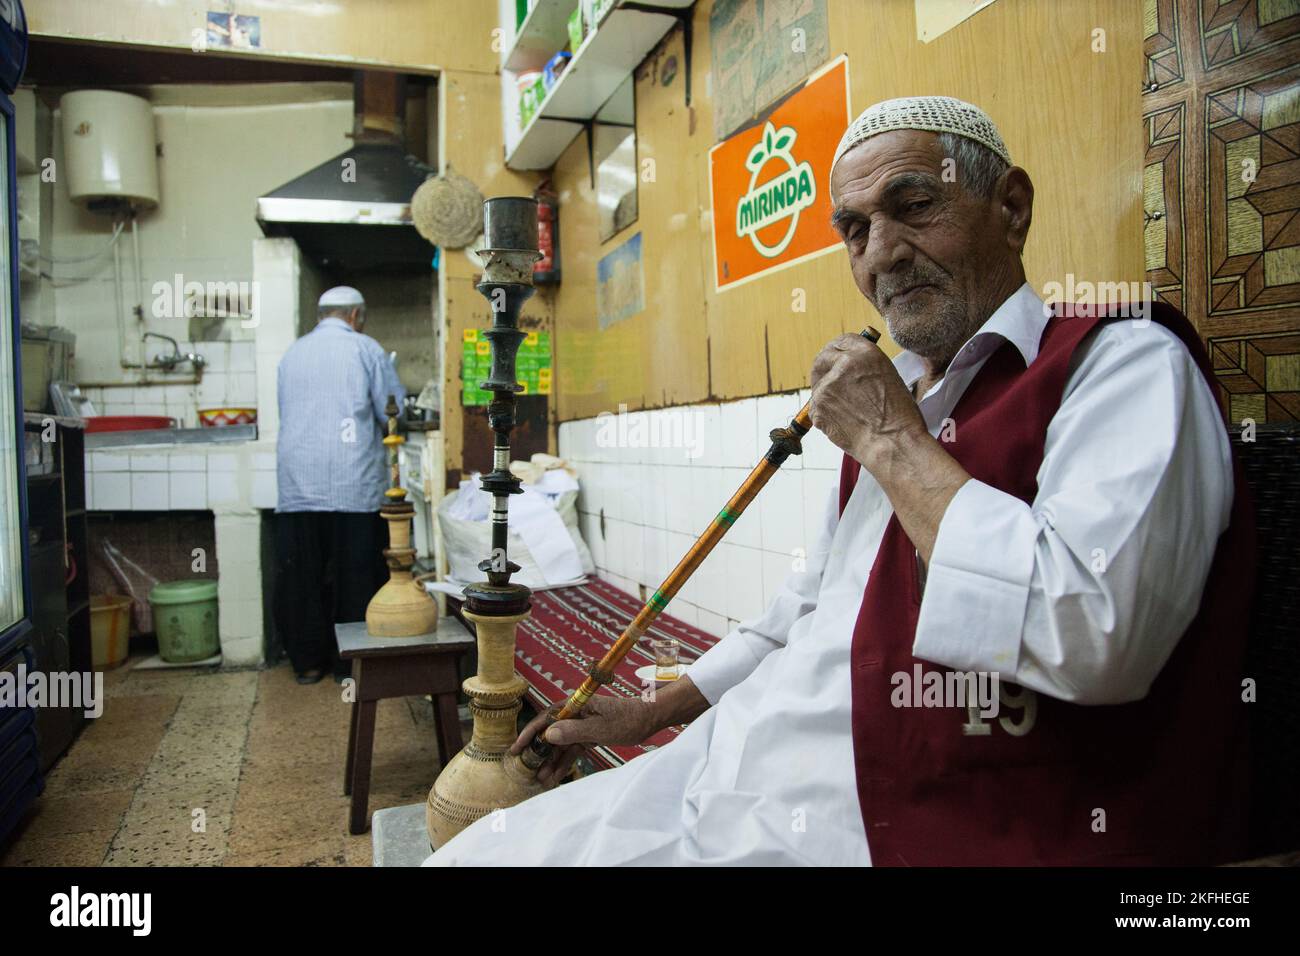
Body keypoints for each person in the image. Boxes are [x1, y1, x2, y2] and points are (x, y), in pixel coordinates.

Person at [426, 97, 1252, 866]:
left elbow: (1096, 637)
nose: (882, 252)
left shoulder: (1123, 365)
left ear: (1011, 206)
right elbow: (813, 606)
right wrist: (660, 710)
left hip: (893, 825)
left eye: (915, 205)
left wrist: (891, 439)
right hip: (734, 770)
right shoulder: (906, 397)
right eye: (854, 230)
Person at [274, 286, 405, 684]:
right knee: (357, 573)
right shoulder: (366, 349)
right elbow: (391, 410)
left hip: (299, 483)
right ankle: (353, 666)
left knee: (302, 575)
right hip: (353, 481)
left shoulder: (291, 354)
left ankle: (308, 663)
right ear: (354, 315)